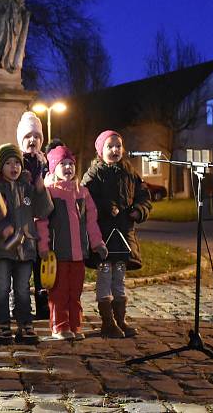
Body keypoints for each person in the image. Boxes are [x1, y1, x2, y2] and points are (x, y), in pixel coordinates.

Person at [82, 130, 152, 339]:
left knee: (119, 276)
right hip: (103, 234)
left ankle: (120, 318)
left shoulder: (130, 172)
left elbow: (144, 197)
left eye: (118, 146)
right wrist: (106, 207)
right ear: (100, 150)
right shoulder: (94, 174)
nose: (114, 150)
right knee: (105, 275)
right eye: (110, 146)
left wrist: (139, 210)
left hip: (124, 232)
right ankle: (107, 321)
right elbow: (86, 199)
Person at [0, 144, 53, 345]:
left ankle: (25, 325)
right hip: (3, 249)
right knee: (2, 288)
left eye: (17, 163)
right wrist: (1, 229)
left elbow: (44, 210)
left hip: (25, 248)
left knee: (23, 289)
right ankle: (3, 326)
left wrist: (40, 189)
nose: (13, 167)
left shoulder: (28, 188)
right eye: (8, 163)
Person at [37, 145, 107, 340]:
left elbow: (90, 221)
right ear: (53, 168)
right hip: (57, 253)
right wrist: (43, 246)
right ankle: (59, 326)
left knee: (75, 292)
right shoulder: (49, 192)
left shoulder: (82, 193)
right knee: (59, 291)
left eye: (70, 164)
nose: (68, 168)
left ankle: (75, 326)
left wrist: (97, 243)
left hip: (78, 253)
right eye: (63, 164)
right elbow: (41, 221)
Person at [17, 111, 50, 320]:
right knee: (22, 266)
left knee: (41, 266)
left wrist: (41, 183)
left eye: (37, 137)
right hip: (22, 223)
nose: (32, 140)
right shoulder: (16, 162)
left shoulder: (45, 163)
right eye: (28, 136)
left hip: (43, 223)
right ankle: (20, 304)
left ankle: (43, 304)